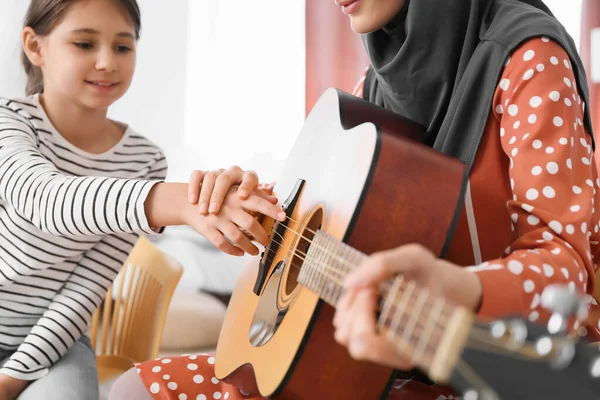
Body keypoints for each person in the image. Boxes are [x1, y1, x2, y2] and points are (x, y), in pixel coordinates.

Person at [109, 0, 600, 399]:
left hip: (490, 370)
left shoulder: (530, 56)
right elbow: (340, 234)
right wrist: (262, 217)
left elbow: (566, 266)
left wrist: (459, 288)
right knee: (140, 387)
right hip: (378, 369)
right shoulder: (374, 86)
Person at [0, 1, 284, 399]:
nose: (106, 62)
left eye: (122, 46)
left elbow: (86, 287)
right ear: (35, 46)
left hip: (55, 341)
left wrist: (12, 378)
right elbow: (46, 200)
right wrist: (184, 203)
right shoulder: (9, 122)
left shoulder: (145, 159)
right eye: (84, 44)